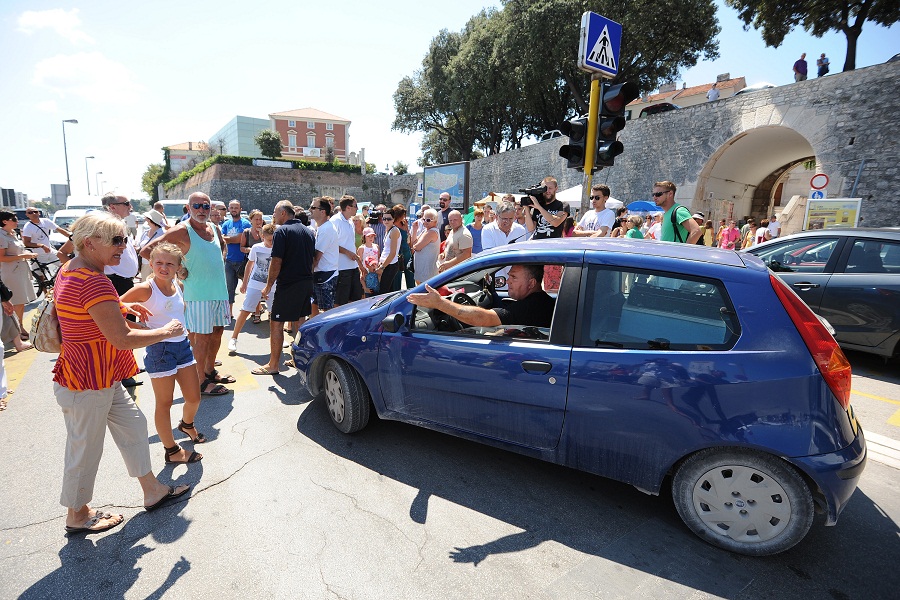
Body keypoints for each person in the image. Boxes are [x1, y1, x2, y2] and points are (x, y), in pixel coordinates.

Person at [53, 211, 190, 534]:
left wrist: (122, 307)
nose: (123, 246)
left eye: (125, 239)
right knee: (85, 450)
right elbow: (122, 338)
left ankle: (152, 490)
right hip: (87, 379)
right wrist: (165, 332)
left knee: (134, 426)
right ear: (90, 243)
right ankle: (77, 514)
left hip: (101, 375)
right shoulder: (94, 281)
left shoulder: (73, 269)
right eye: (116, 240)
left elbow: (86, 311)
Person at [140, 192, 233, 396]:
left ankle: (209, 370)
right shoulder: (182, 230)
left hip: (219, 291)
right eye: (197, 206)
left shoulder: (214, 228)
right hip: (197, 294)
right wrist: (177, 271)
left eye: (206, 206)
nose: (201, 210)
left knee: (217, 332)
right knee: (202, 338)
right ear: (189, 208)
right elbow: (147, 251)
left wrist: (221, 258)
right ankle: (200, 382)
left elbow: (222, 246)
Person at [121, 243, 204, 465]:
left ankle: (186, 425)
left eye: (169, 263)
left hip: (182, 346)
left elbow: (179, 312)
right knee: (164, 403)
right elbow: (113, 310)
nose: (164, 268)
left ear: (178, 266)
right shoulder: (145, 289)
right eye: (159, 262)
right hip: (160, 351)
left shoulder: (178, 285)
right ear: (151, 263)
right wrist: (143, 329)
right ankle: (171, 450)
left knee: (194, 398)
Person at [255, 200, 316, 375]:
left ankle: (273, 365)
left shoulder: (281, 231)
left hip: (289, 284)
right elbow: (312, 260)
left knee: (276, 323)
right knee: (300, 321)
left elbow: (276, 261)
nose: (273, 216)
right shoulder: (308, 231)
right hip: (305, 282)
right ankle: (299, 361)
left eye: (275, 212)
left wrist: (268, 286)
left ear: (283, 213)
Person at [408, 264, 554, 329]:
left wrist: (440, 303)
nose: (508, 281)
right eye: (509, 276)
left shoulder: (530, 307)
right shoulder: (543, 301)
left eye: (514, 277)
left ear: (531, 283)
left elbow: (484, 318)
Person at [229, 224, 276, 354]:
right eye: (269, 240)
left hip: (272, 285)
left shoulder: (279, 248)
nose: (272, 242)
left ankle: (277, 338)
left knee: (274, 313)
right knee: (245, 310)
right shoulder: (256, 248)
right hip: (255, 284)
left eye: (274, 239)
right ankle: (234, 338)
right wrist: (244, 283)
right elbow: (249, 265)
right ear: (263, 237)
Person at [0, 211, 37, 331]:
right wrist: (23, 256)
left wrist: (26, 254)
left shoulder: (13, 233)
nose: (17, 221)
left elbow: (17, 250)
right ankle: (16, 330)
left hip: (20, 270)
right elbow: (2, 258)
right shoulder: (1, 236)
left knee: (21, 302)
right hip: (11, 272)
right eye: (14, 219)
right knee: (15, 302)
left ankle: (19, 327)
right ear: (5, 221)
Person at [329, 196, 364, 306]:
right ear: (348, 208)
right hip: (341, 268)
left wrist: (358, 263)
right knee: (340, 301)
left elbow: (350, 243)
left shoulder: (350, 221)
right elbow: (330, 244)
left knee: (356, 298)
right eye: (355, 206)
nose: (357, 208)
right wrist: (347, 253)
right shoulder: (335, 221)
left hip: (352, 267)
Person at [220, 200, 251, 320]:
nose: (234, 210)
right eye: (232, 207)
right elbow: (222, 239)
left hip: (243, 261)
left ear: (240, 209)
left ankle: (255, 311)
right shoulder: (226, 224)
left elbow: (240, 239)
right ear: (229, 209)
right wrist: (234, 238)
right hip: (229, 261)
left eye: (236, 208)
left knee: (249, 288)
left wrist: (229, 239)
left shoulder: (246, 223)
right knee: (229, 288)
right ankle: (229, 313)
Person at [310, 196, 339, 314]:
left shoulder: (326, 229)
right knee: (315, 304)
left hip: (326, 275)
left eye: (313, 207)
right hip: (323, 273)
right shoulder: (323, 227)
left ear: (322, 212)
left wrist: (307, 273)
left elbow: (317, 257)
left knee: (327, 311)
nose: (310, 209)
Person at [21, 207, 70, 271]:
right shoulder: (28, 227)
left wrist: (72, 237)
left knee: (67, 265)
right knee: (40, 274)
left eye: (35, 212)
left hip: (50, 251)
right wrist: (42, 246)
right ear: (27, 215)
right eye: (30, 212)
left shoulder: (46, 221)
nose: (33, 213)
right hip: (38, 255)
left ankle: (59, 276)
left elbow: (60, 230)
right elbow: (26, 243)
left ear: (39, 213)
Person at [376, 205, 404, 292]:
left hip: (390, 265)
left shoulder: (394, 231)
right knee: (385, 291)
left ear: (393, 219)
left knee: (384, 291)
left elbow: (392, 253)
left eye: (389, 219)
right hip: (385, 263)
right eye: (384, 219)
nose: (386, 221)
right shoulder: (388, 229)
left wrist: (382, 267)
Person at [411, 208, 439, 285]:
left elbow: (416, 247)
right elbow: (414, 243)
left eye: (428, 220)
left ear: (435, 221)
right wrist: (414, 230)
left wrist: (415, 246)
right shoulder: (426, 230)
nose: (425, 222)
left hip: (427, 271)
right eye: (424, 219)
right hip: (422, 269)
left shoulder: (431, 232)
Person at [137, 209, 166, 280]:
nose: (145, 219)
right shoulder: (145, 232)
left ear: (151, 220)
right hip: (144, 264)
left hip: (158, 265)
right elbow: (140, 245)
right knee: (145, 283)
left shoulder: (163, 233)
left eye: (147, 218)